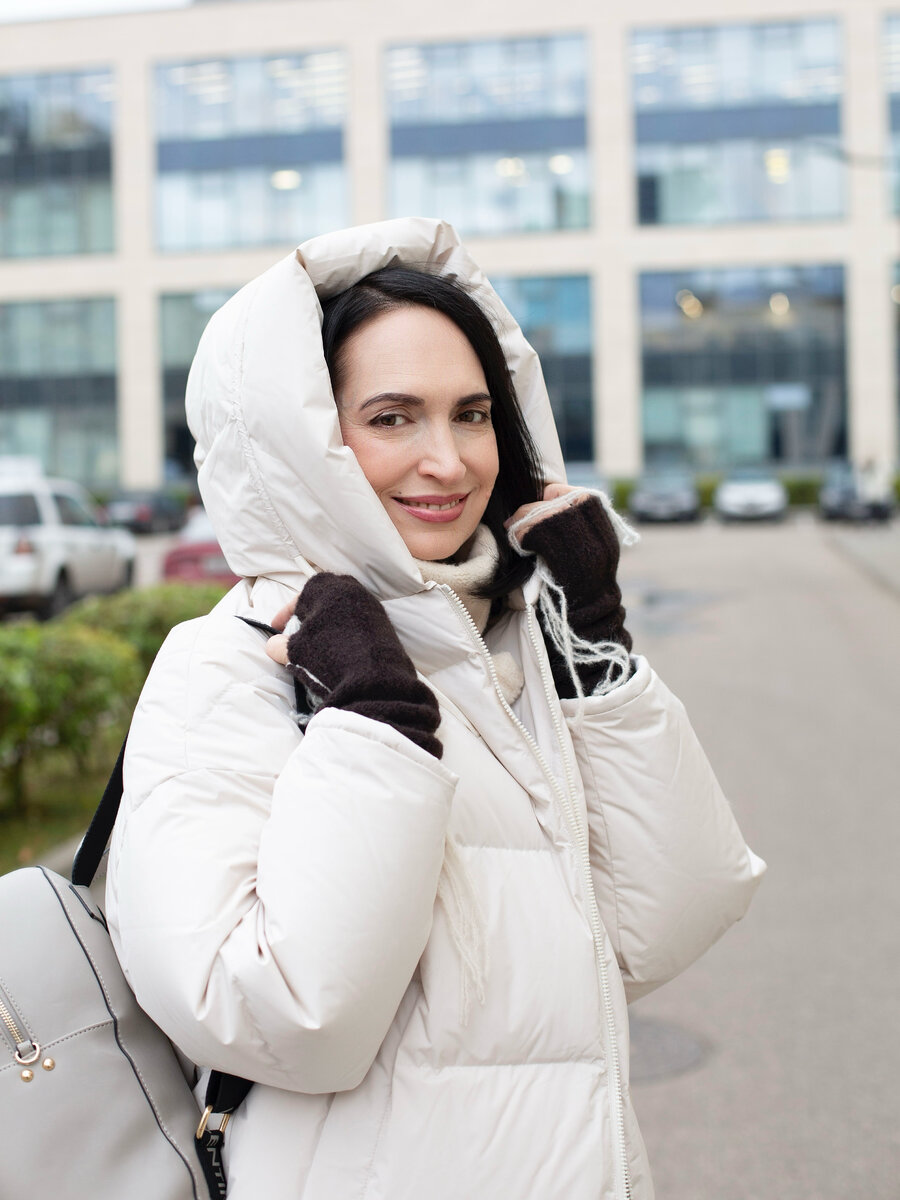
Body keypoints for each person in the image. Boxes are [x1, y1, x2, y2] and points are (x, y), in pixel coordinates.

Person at [106, 218, 765, 1200]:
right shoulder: (229, 663)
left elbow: (659, 928)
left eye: (473, 414)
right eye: (392, 418)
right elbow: (278, 1016)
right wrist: (375, 726)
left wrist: (595, 647)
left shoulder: (502, 639)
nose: (450, 462)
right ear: (305, 445)